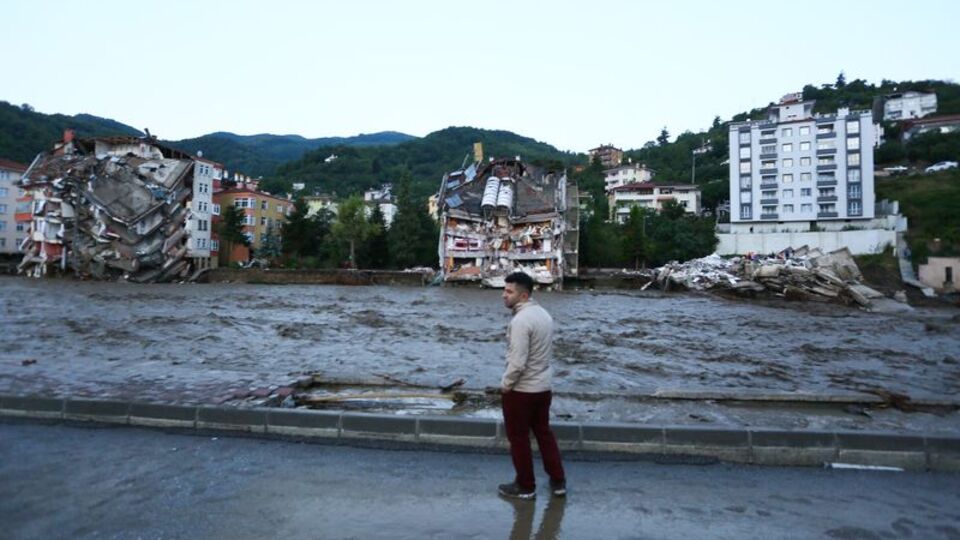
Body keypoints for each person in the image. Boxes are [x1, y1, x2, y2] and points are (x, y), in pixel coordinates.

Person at [497, 272, 566, 500]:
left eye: (509, 292)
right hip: (543, 388)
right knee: (544, 434)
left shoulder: (520, 321)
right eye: (504, 290)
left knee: (518, 439)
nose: (503, 295)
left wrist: (506, 385)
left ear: (523, 295)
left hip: (522, 391)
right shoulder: (544, 315)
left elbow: (517, 362)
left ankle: (526, 486)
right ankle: (558, 481)